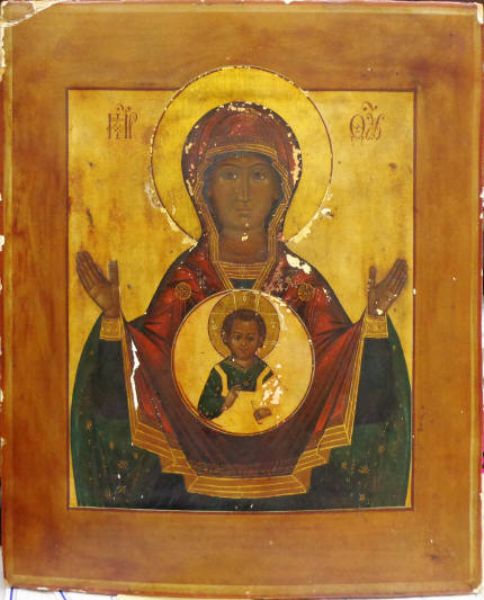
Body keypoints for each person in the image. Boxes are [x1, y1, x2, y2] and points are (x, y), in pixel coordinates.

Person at [72, 102, 411, 510]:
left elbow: (338, 365)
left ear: (281, 189)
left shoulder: (300, 283)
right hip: (190, 485)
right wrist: (114, 322)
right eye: (230, 175)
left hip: (294, 480)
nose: (244, 193)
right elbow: (150, 363)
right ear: (205, 189)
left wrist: (372, 323)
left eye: (258, 175)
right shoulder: (187, 280)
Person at [198, 308, 276, 425]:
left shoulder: (264, 372)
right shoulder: (220, 371)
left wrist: (267, 411)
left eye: (250, 338)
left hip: (256, 430)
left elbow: (277, 402)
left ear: (260, 340)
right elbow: (203, 408)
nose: (243, 343)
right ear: (226, 338)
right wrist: (224, 402)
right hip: (224, 429)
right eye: (237, 337)